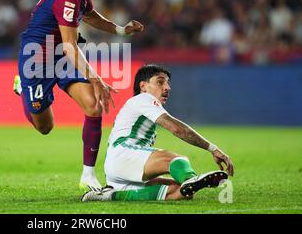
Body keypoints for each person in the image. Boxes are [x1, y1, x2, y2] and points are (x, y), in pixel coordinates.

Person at [13, 0, 144, 190]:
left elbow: (90, 14)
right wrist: (96, 77)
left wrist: (121, 30)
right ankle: (22, 88)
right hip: (37, 60)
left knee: (93, 106)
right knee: (45, 127)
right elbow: (71, 46)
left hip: (61, 57)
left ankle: (88, 174)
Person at [81, 64, 234, 202]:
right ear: (143, 86)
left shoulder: (140, 105)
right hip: (124, 154)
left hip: (118, 166)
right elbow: (177, 129)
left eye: (168, 83)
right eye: (160, 82)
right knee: (175, 160)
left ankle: (110, 195)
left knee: (181, 192)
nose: (167, 87)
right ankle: (191, 178)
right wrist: (212, 148)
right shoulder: (143, 98)